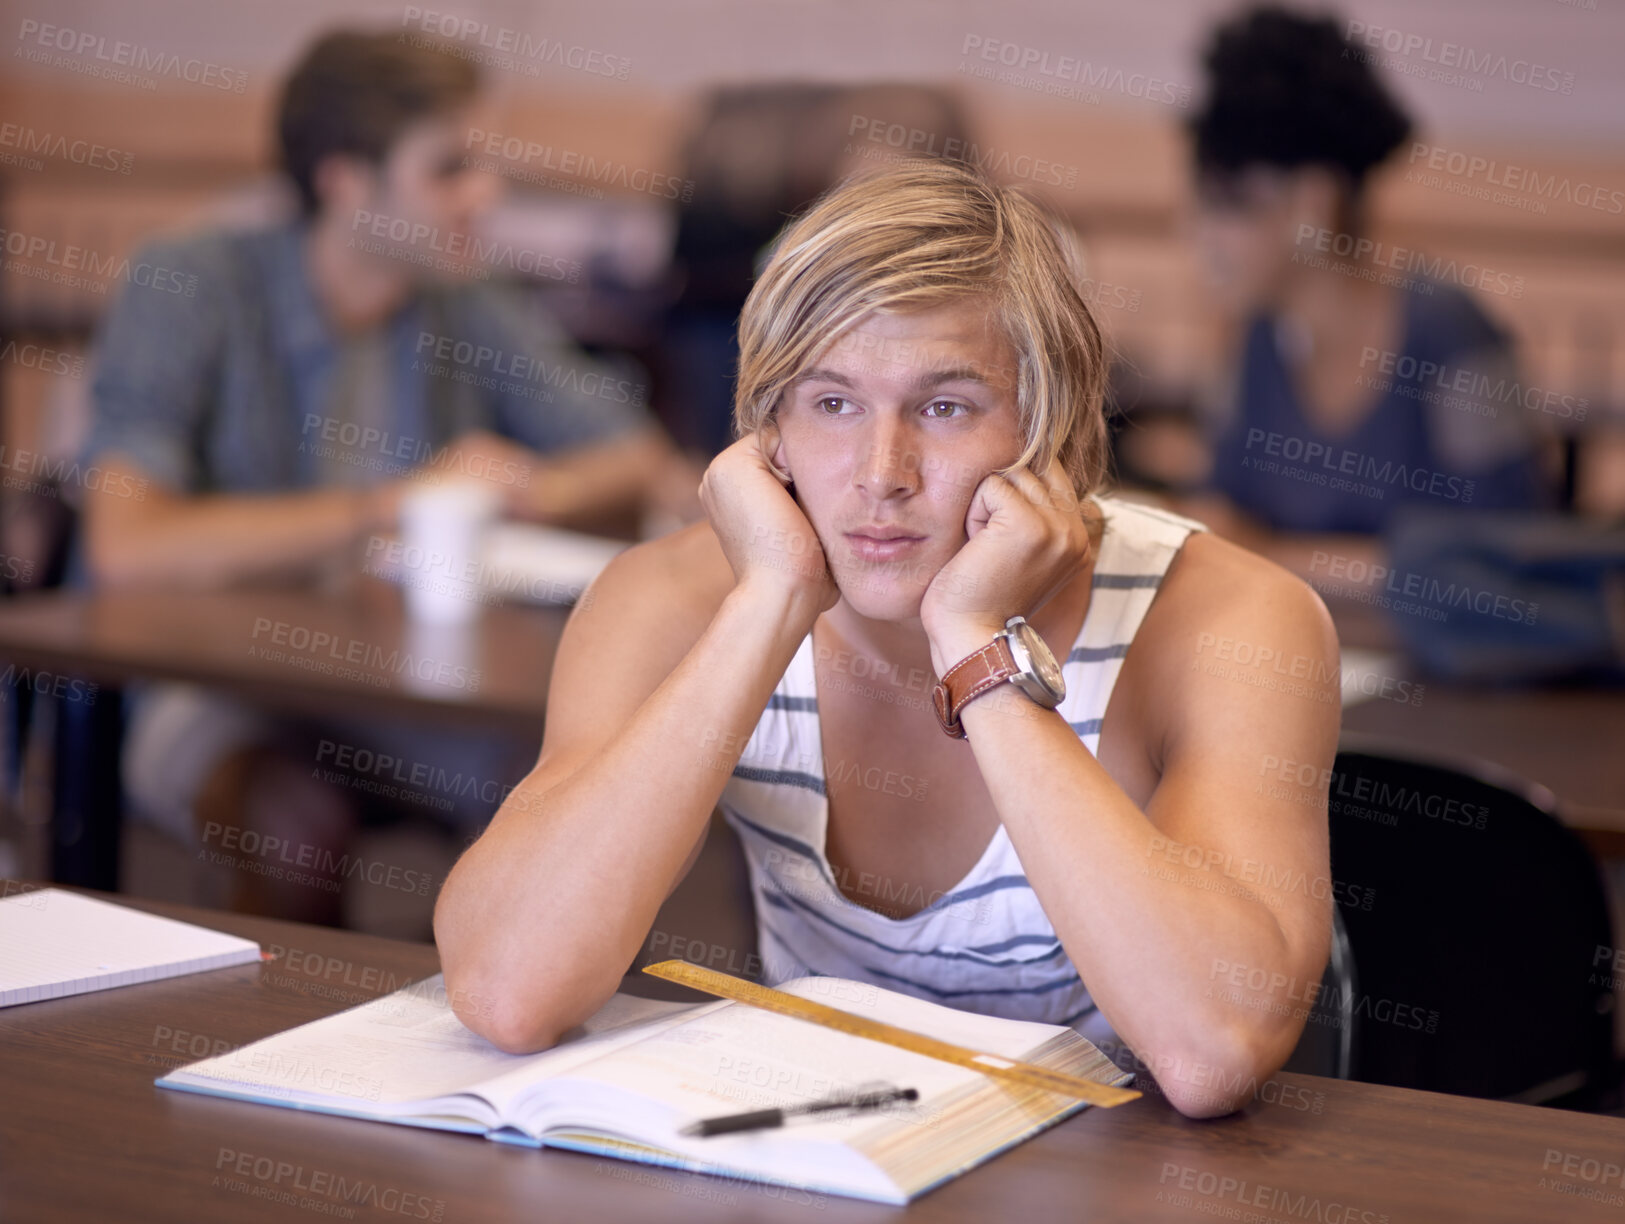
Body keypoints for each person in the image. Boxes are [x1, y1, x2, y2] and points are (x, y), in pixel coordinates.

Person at [434, 160, 1340, 1118]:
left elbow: (1211, 1054)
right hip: (808, 1162)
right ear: (765, 430)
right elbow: (506, 992)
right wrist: (771, 600)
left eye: (945, 407)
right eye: (831, 403)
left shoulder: (1229, 622)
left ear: (1051, 427)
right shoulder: (668, 600)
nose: (881, 472)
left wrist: (975, 643)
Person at [78, 29, 693, 924]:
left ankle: (510, 1038)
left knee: (573, 798)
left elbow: (633, 451)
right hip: (207, 679)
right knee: (293, 824)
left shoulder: (462, 295)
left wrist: (522, 493)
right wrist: (389, 504)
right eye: (449, 169)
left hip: (397, 678)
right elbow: (126, 546)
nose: (484, 195)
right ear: (345, 181)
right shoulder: (190, 282)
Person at [1174, 6, 1557, 589]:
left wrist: (1276, 552)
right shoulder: (1252, 341)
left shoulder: (1452, 334)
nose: (1201, 237)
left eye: (1229, 203)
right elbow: (1222, 522)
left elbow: (1509, 563)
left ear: (1312, 203)